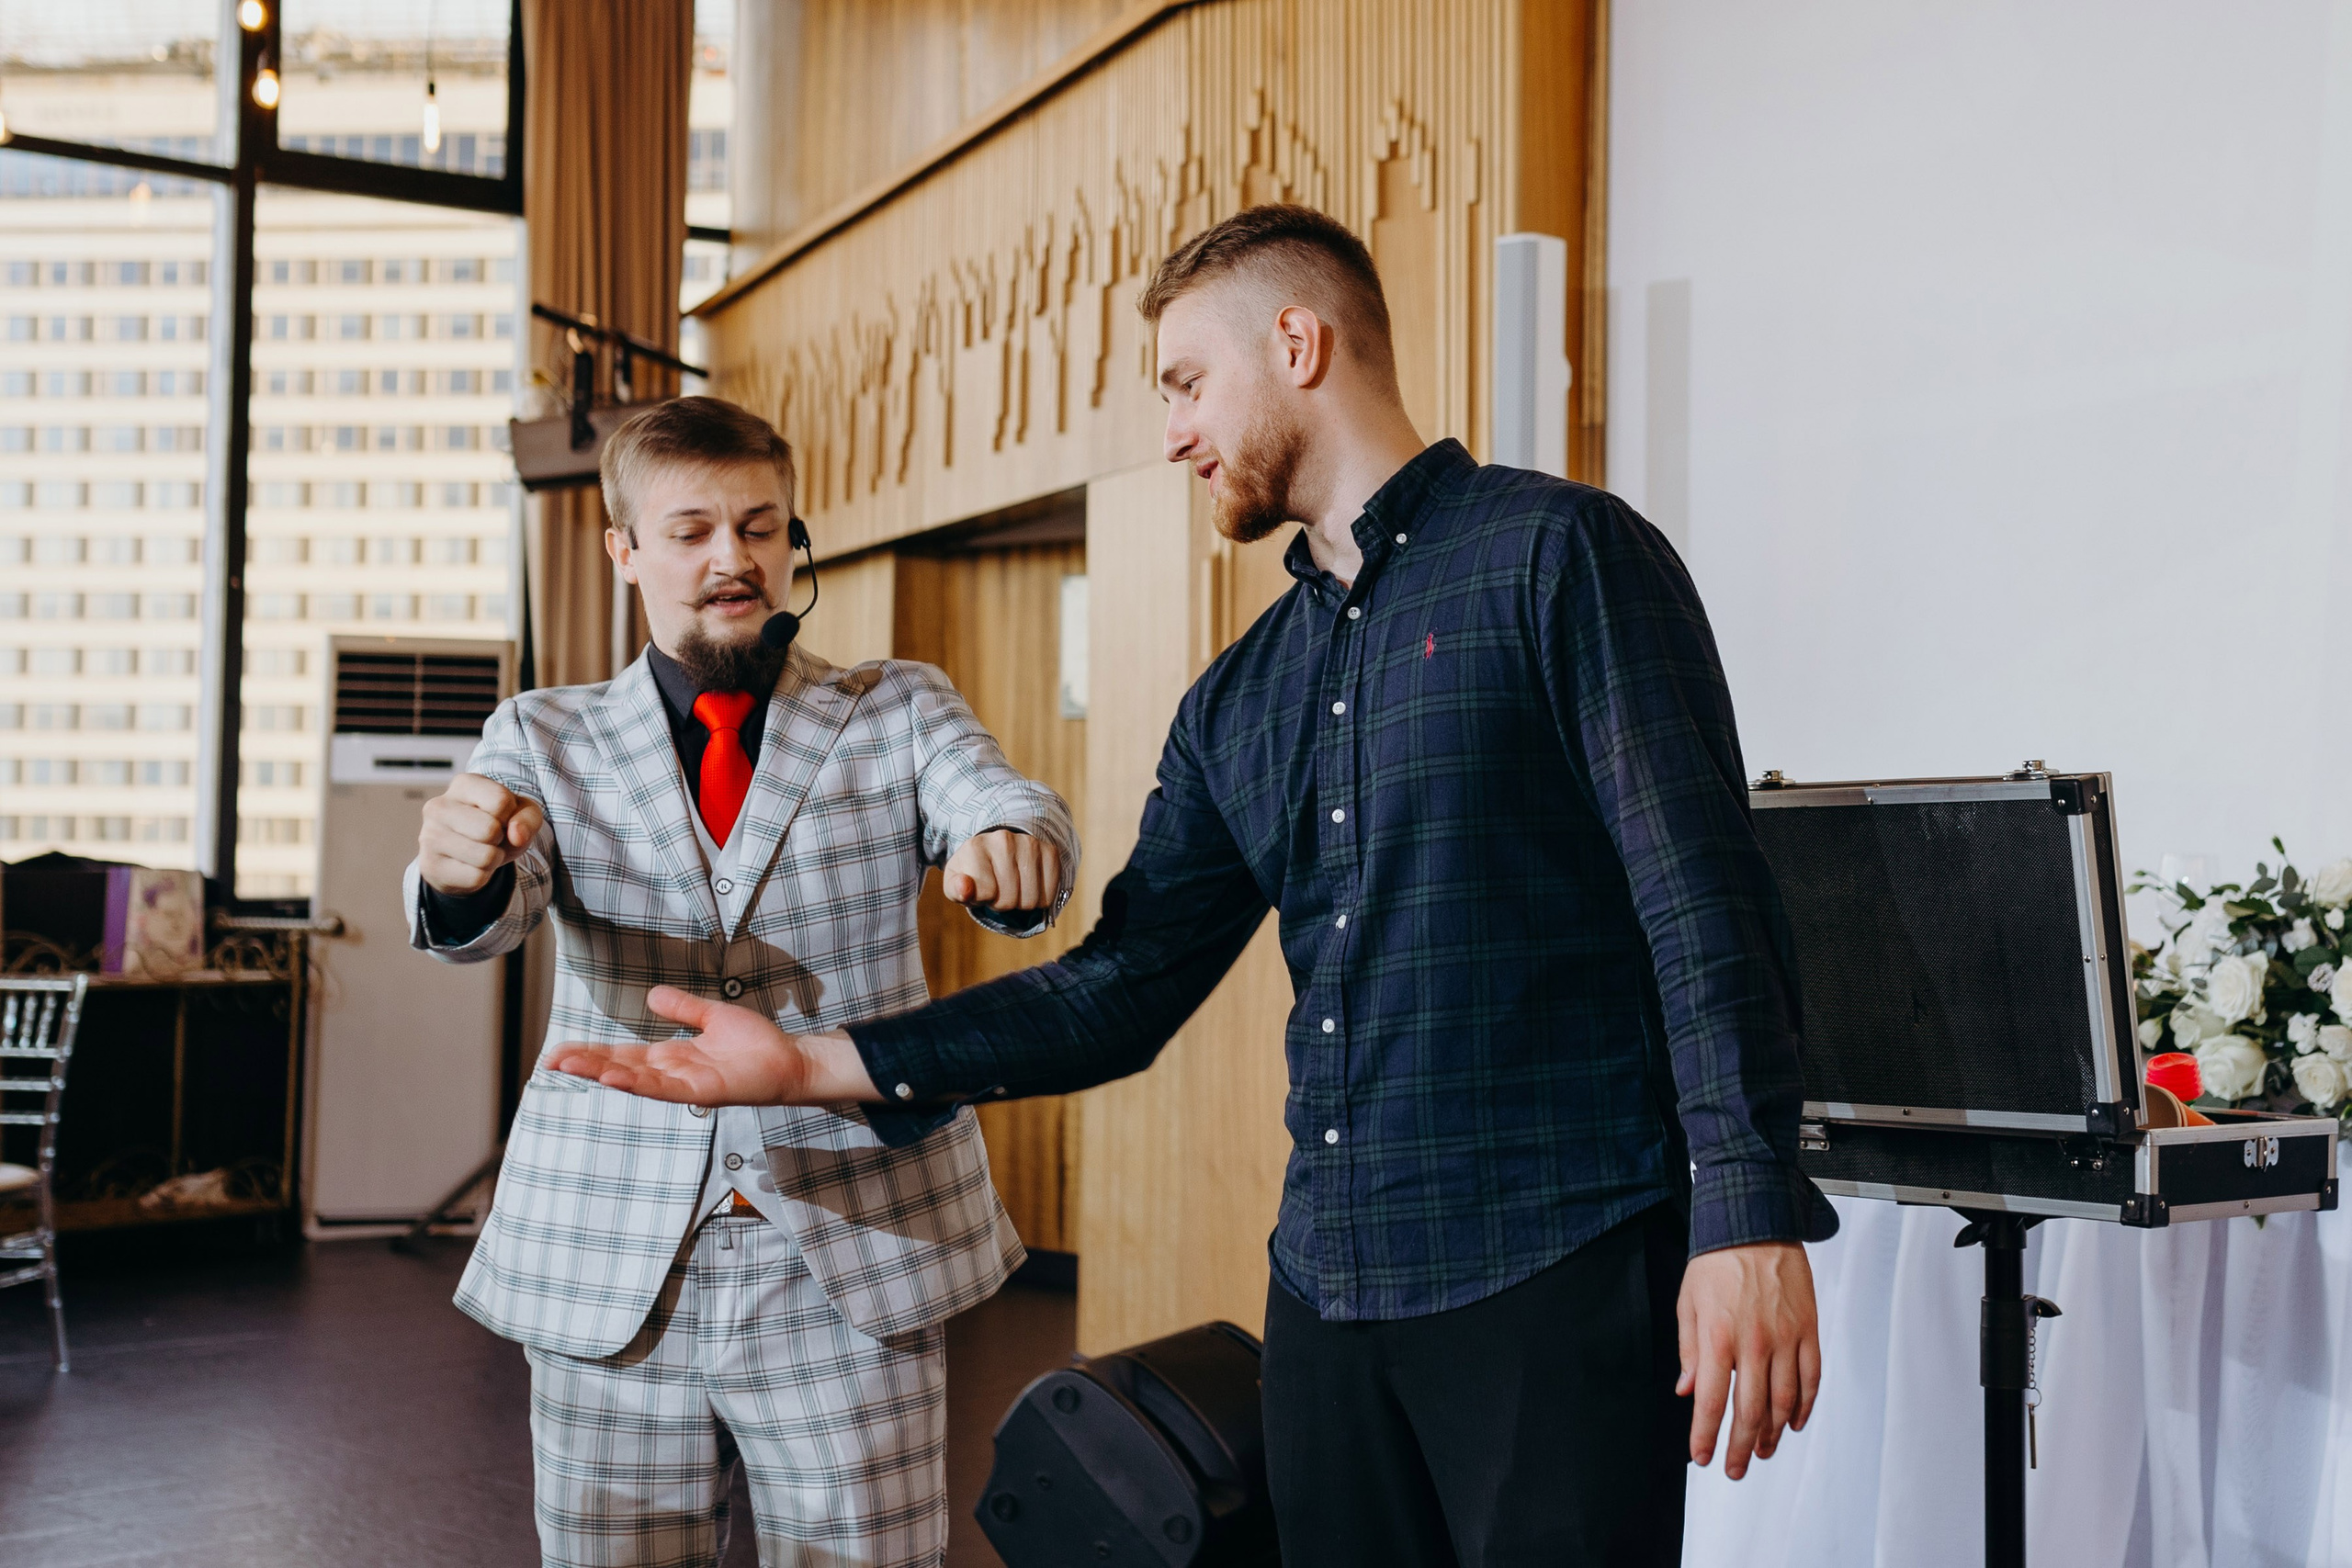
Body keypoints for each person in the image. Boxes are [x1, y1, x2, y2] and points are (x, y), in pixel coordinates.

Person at [548, 209, 1836, 1566]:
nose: (1171, 432)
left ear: (1298, 342)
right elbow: (1120, 986)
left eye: (1183, 381)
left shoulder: (1561, 556)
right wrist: (812, 1064)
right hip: (1328, 1307)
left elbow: (1704, 900)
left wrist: (1744, 1205)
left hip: (1561, 1269)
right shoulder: (1238, 696)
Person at [405, 396, 1077, 1568]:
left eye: (760, 527)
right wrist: (456, 873)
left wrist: (1014, 849)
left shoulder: (896, 708)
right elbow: (486, 915)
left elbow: (1003, 802)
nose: (733, 559)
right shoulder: (542, 733)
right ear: (621, 550)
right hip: (610, 1262)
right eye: (692, 530)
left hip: (851, 1254)